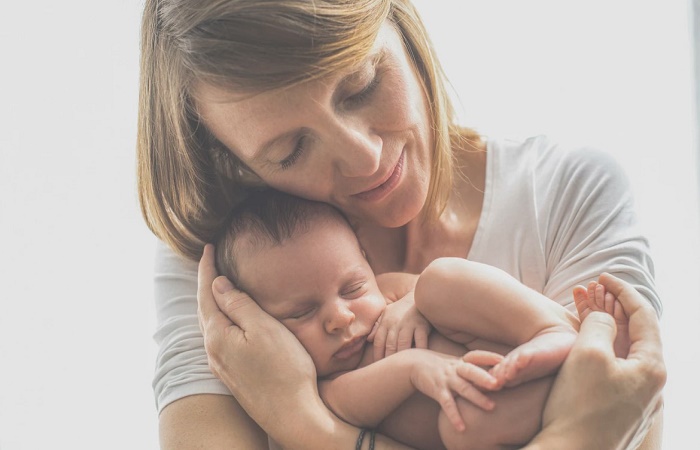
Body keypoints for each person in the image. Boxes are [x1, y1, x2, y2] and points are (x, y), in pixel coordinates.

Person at [137, 0, 665, 448]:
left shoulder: (564, 193)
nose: (365, 157)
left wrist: (309, 425)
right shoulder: (230, 265)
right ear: (234, 161)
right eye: (290, 149)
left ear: (401, 23)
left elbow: (623, 402)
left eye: (362, 84)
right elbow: (594, 424)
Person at [213, 190, 580, 449]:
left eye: (353, 287)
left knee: (439, 281)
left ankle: (551, 329)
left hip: (510, 348)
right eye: (301, 312)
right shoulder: (318, 387)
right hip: (504, 411)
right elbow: (346, 404)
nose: (341, 317)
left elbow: (441, 294)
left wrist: (414, 302)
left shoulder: (388, 290)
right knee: (464, 428)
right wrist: (415, 366)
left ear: (366, 259)